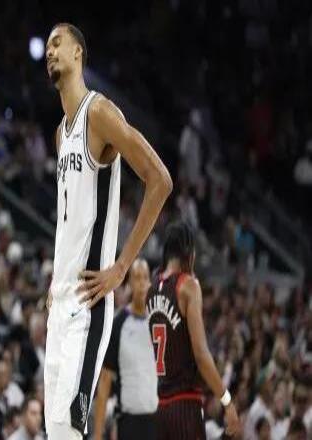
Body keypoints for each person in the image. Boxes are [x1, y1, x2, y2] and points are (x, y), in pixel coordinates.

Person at [44, 22, 172, 440]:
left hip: (88, 302)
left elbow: (160, 180)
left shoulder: (99, 113)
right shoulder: (60, 134)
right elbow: (70, 219)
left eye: (57, 43)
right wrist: (55, 280)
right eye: (47, 47)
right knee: (56, 433)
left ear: (78, 53)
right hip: (60, 302)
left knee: (67, 430)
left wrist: (120, 267)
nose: (50, 51)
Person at [147, 221, 240, 439]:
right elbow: (201, 354)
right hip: (185, 406)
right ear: (189, 252)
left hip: (161, 409)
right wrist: (227, 401)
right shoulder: (188, 285)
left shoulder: (152, 290)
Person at [93, 259, 158, 440]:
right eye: (137, 277)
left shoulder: (159, 322)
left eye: (145, 277)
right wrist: (98, 434)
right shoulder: (119, 323)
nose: (142, 283)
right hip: (128, 421)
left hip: (157, 419)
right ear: (129, 283)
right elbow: (105, 381)